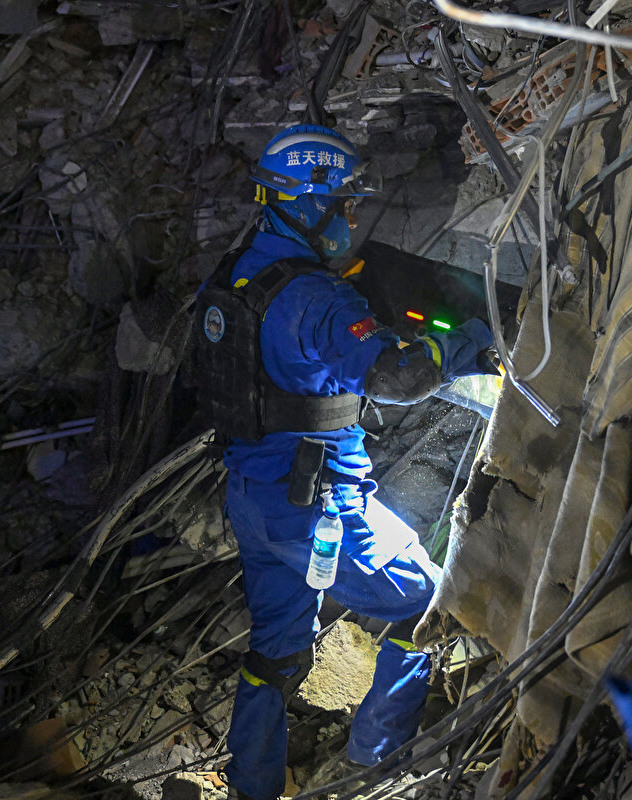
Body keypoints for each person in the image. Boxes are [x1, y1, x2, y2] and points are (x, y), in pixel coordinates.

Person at [194, 124, 497, 800]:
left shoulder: (236, 272)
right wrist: (465, 344)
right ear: (311, 202)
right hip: (320, 509)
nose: (352, 219)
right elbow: (394, 375)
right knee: (424, 602)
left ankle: (252, 781)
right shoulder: (315, 296)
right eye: (347, 204)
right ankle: (376, 763)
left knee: (276, 650)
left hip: (251, 496)